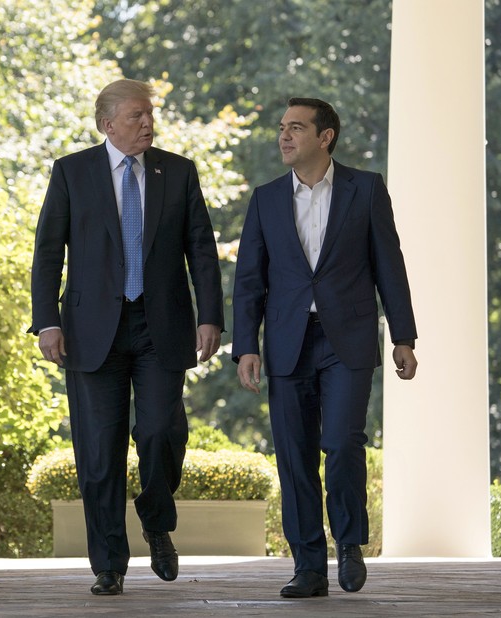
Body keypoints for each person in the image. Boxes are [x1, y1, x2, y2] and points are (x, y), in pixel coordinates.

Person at [30, 79, 224, 596]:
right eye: (136, 116)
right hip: (90, 331)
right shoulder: (72, 172)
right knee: (98, 453)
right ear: (107, 123)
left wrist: (211, 317)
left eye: (150, 115)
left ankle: (156, 519)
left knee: (162, 431)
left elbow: (201, 249)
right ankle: (109, 564)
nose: (147, 124)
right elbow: (49, 252)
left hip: (160, 326)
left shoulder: (178, 171)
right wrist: (46, 320)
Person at [232, 98, 418, 598]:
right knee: (294, 456)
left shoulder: (366, 189)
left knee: (341, 445)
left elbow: (389, 266)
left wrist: (403, 336)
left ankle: (350, 544)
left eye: (296, 128)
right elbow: (249, 279)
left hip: (348, 340)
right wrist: (245, 345)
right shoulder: (266, 198)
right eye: (282, 128)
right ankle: (308, 567)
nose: (284, 137)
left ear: (325, 136)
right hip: (288, 342)